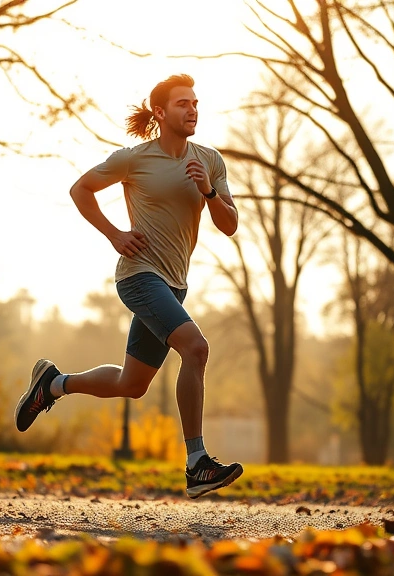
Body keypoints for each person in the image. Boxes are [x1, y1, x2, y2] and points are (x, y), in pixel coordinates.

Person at [15, 74, 241, 499]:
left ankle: (53, 384)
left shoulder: (209, 161)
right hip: (139, 276)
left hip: (175, 284)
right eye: (181, 104)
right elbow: (80, 189)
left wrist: (208, 191)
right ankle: (197, 464)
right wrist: (115, 234)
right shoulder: (134, 159)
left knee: (130, 385)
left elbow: (229, 225)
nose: (192, 109)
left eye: (195, 102)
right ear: (160, 112)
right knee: (196, 348)